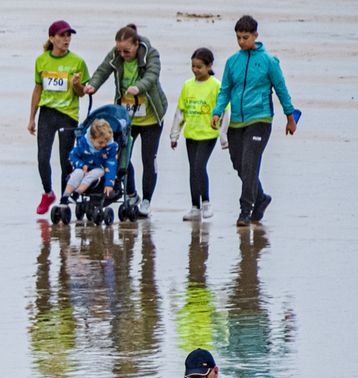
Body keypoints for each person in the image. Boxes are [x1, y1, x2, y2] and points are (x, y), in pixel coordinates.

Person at [213, 15, 298, 226]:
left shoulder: (269, 61)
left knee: (250, 164)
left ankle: (245, 210)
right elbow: (225, 90)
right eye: (238, 38)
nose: (242, 42)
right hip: (236, 121)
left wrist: (290, 117)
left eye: (245, 37)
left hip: (260, 119)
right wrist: (217, 111)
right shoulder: (233, 62)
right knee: (239, 164)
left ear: (255, 36)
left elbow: (281, 89)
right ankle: (261, 198)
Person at [84, 24, 168, 215]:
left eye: (127, 51)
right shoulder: (116, 54)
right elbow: (103, 71)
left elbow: (152, 76)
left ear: (136, 44)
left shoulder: (151, 54)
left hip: (151, 117)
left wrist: (139, 87)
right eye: (120, 50)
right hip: (126, 117)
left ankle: (146, 200)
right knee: (122, 156)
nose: (123, 54)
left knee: (149, 158)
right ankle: (131, 193)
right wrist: (92, 86)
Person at [30, 20, 89, 214]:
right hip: (47, 113)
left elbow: (82, 94)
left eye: (69, 36)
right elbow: (37, 89)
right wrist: (32, 117)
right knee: (42, 157)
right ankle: (48, 193)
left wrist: (77, 85)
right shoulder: (41, 60)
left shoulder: (78, 62)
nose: (66, 39)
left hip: (68, 115)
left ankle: (64, 198)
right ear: (52, 38)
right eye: (62, 36)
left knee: (66, 160)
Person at [171, 48, 228, 220]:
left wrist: (223, 137)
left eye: (199, 67)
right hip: (191, 134)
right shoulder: (188, 85)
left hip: (208, 134)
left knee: (199, 167)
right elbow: (180, 112)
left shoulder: (216, 86)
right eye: (193, 66)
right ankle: (195, 207)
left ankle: (206, 203)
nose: (195, 70)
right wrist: (175, 135)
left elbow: (225, 112)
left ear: (209, 66)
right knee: (192, 170)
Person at [61, 119, 119, 205]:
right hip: (84, 167)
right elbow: (72, 156)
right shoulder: (83, 144)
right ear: (92, 138)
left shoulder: (109, 148)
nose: (103, 145)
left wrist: (109, 184)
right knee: (77, 173)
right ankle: (65, 197)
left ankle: (77, 193)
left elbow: (111, 164)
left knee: (95, 173)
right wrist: (81, 164)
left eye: (105, 142)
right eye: (100, 142)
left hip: (99, 168)